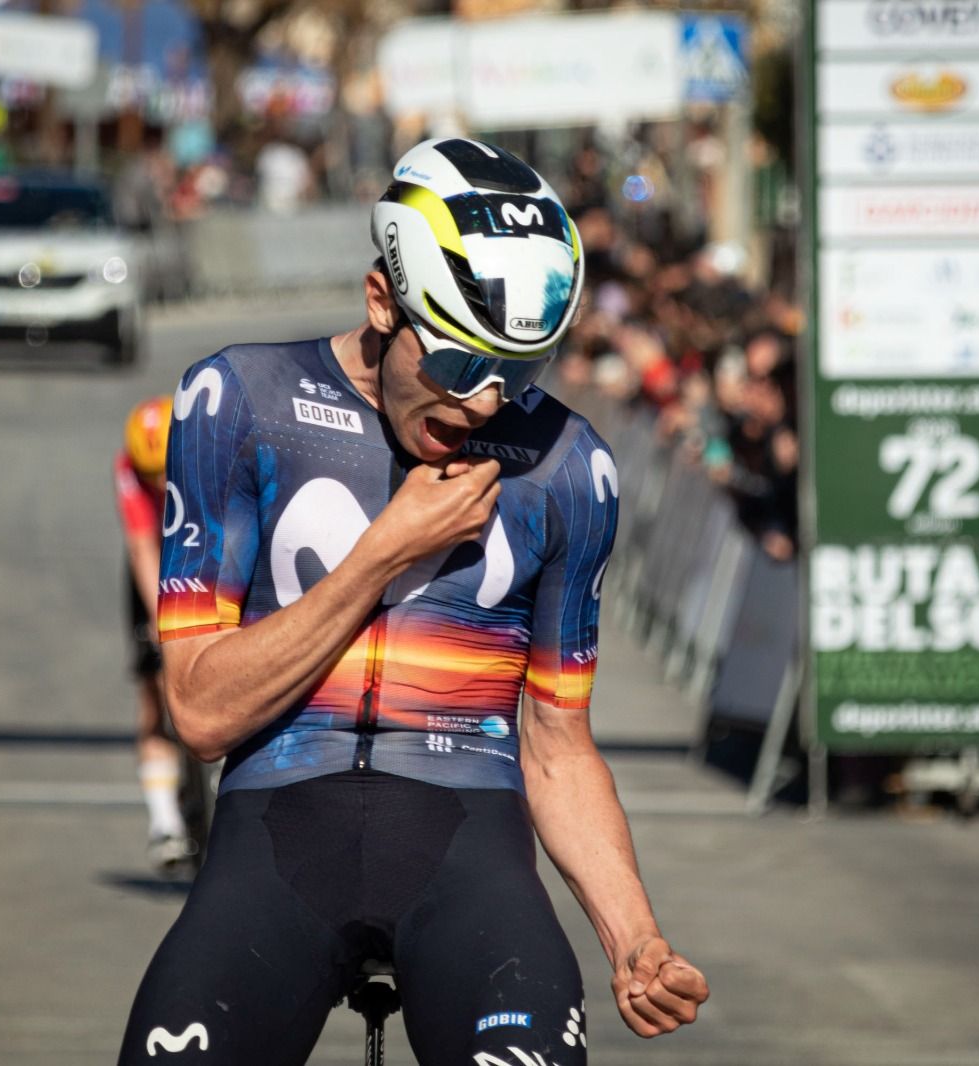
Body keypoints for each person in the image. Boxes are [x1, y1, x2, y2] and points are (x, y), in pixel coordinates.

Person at [119, 138, 707, 1065]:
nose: (484, 403)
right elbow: (198, 709)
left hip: (468, 844)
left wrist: (634, 937)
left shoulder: (568, 465)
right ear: (381, 300)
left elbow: (558, 747)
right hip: (275, 836)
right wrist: (384, 552)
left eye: (517, 372)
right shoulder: (239, 401)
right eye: (459, 363)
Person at [114, 396, 195, 872]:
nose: (162, 485)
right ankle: (164, 822)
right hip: (158, 555)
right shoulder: (127, 466)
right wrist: (162, 625)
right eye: (151, 477)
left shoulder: (209, 449)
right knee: (152, 689)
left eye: (166, 471)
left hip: (202, 541)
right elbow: (143, 549)